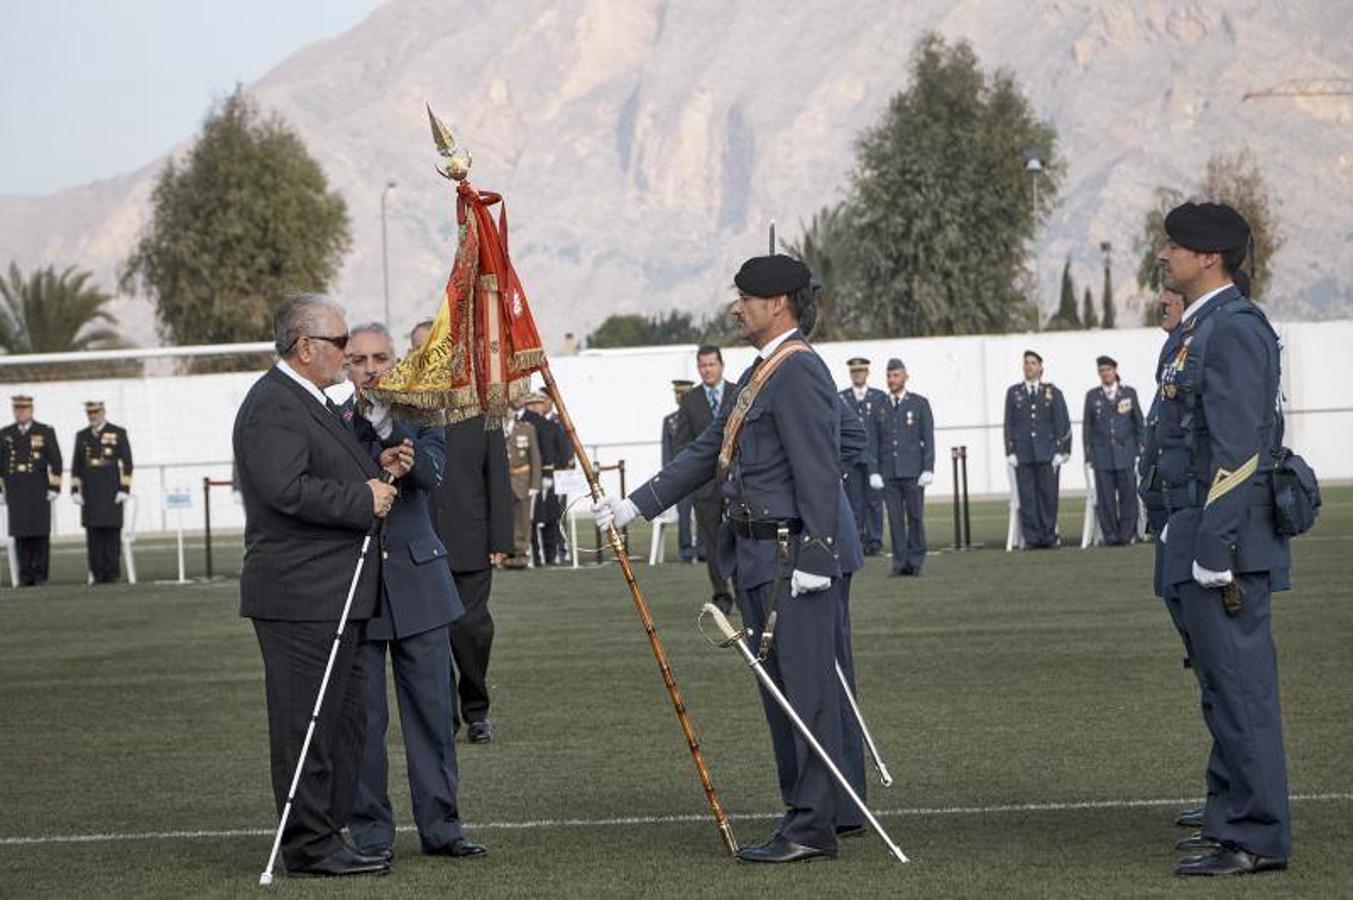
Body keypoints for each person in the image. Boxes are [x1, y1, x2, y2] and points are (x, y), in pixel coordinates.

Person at [595, 254, 845, 863]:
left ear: (778, 302)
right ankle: (803, 812)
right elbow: (710, 449)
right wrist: (636, 506)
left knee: (804, 692)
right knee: (778, 693)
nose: (736, 307)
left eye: (746, 298)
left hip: (790, 559)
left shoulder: (798, 370)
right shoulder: (761, 372)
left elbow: (819, 467)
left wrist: (817, 553)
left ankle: (813, 826)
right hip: (755, 558)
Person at [232, 294, 399, 878]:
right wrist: (362, 497)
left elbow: (329, 472)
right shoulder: (273, 405)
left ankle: (329, 832)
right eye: (339, 341)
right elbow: (285, 489)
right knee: (307, 721)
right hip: (301, 594)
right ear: (305, 347)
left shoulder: (313, 403)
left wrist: (380, 472)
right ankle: (307, 843)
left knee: (344, 720)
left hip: (339, 591)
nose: (348, 351)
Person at [1149, 202, 1292, 877]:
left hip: (1222, 541)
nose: (1161, 254)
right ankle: (1228, 811)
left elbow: (1236, 451)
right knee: (1217, 687)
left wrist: (1214, 549)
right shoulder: (1199, 328)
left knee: (1241, 691)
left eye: (1173, 246)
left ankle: (1256, 835)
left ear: (1208, 257)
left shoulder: (1233, 329)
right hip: (1195, 531)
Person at [342, 323, 487, 862]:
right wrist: (374, 457)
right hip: (358, 586)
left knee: (431, 716)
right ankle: (372, 836)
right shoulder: (333, 420)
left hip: (420, 584)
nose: (371, 368)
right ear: (344, 365)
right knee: (365, 721)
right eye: (358, 359)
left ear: (397, 359)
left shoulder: (424, 411)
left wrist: (406, 461)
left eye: (380, 357)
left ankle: (443, 829)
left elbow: (432, 475)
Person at [412, 320, 515, 745]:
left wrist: (501, 540)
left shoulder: (480, 411)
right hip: (418, 545)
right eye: (419, 349)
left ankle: (477, 711)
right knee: (430, 635)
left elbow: (498, 478)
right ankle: (442, 719)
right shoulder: (401, 411)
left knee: (471, 630)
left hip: (470, 541)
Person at [673, 345, 738, 613]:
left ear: (721, 365)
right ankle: (722, 594)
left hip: (737, 484)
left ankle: (745, 588)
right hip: (706, 486)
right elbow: (682, 445)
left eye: (712, 364)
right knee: (711, 544)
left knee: (741, 538)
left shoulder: (738, 394)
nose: (708, 370)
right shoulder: (690, 401)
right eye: (703, 365)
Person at [871, 358, 934, 575]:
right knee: (895, 520)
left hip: (913, 472)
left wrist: (928, 467)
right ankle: (899, 562)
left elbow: (928, 439)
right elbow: (873, 442)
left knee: (915, 517)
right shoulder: (879, 406)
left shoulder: (919, 404)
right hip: (889, 473)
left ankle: (915, 561)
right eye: (889, 375)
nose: (892, 380)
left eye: (896, 375)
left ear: (905, 377)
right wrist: (874, 471)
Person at [1003, 350, 1071, 548]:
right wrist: (1010, 450)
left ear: (1041, 368)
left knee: (1048, 497)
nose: (1029, 366)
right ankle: (1032, 538)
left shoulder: (1052, 392)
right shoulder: (1014, 393)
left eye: (1033, 363)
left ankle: (1049, 536)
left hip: (1047, 452)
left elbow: (1062, 421)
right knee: (1028, 497)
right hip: (1023, 453)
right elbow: (1009, 423)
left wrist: (1062, 450)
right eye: (1026, 363)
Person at [0, 395, 62, 586]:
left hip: (38, 488)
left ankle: (40, 574)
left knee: (40, 532)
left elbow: (56, 461)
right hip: (15, 489)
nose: (21, 412)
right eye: (17, 409)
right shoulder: (5, 433)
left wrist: (54, 486)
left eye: (24, 409)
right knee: (21, 534)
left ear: (31, 410)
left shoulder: (44, 431)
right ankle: (25, 575)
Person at [70, 401, 134, 583]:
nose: (92, 416)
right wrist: (75, 489)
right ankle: (97, 573)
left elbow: (128, 463)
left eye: (96, 412)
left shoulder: (118, 432)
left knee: (112, 534)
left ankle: (112, 573)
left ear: (103, 412)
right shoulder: (81, 436)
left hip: (111, 490)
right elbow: (77, 465)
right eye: (89, 412)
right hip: (90, 491)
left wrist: (124, 488)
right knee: (94, 535)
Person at [1082, 357, 1143, 546]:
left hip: (1125, 453)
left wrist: (1141, 448)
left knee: (1128, 496)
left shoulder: (1129, 393)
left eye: (1108, 369)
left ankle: (1126, 534)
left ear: (1115, 370)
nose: (1105, 373)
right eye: (1101, 370)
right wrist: (1088, 454)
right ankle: (1110, 535)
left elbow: (1138, 422)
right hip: (1102, 455)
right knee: (1106, 498)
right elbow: (1088, 427)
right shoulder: (1093, 396)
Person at [838, 358, 887, 555]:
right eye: (854, 372)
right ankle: (856, 540)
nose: (858, 375)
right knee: (854, 502)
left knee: (875, 502)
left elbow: (884, 431)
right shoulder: (842, 397)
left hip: (873, 459)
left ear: (867, 373)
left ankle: (875, 541)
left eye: (861, 371)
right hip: (851, 460)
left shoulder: (879, 397)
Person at [524, 393, 574, 566]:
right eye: (534, 403)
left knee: (555, 515)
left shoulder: (555, 422)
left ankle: (556, 551)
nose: (538, 406)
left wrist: (559, 472)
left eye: (540, 402)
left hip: (554, 475)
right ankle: (542, 554)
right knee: (538, 517)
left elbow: (562, 449)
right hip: (537, 476)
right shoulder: (531, 423)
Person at [661, 379, 701, 563]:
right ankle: (686, 552)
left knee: (704, 515)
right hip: (681, 477)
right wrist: (668, 477)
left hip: (701, 474)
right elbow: (667, 452)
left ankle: (703, 550)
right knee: (683, 516)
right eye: (677, 393)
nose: (680, 397)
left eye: (684, 393)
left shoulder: (703, 416)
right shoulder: (669, 420)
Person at [502, 396, 542, 568]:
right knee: (504, 519)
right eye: (506, 409)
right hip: (502, 481)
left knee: (523, 520)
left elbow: (535, 458)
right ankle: (505, 555)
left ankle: (521, 556)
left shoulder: (526, 429)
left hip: (522, 480)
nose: (508, 412)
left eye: (511, 409)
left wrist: (535, 484)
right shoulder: (494, 429)